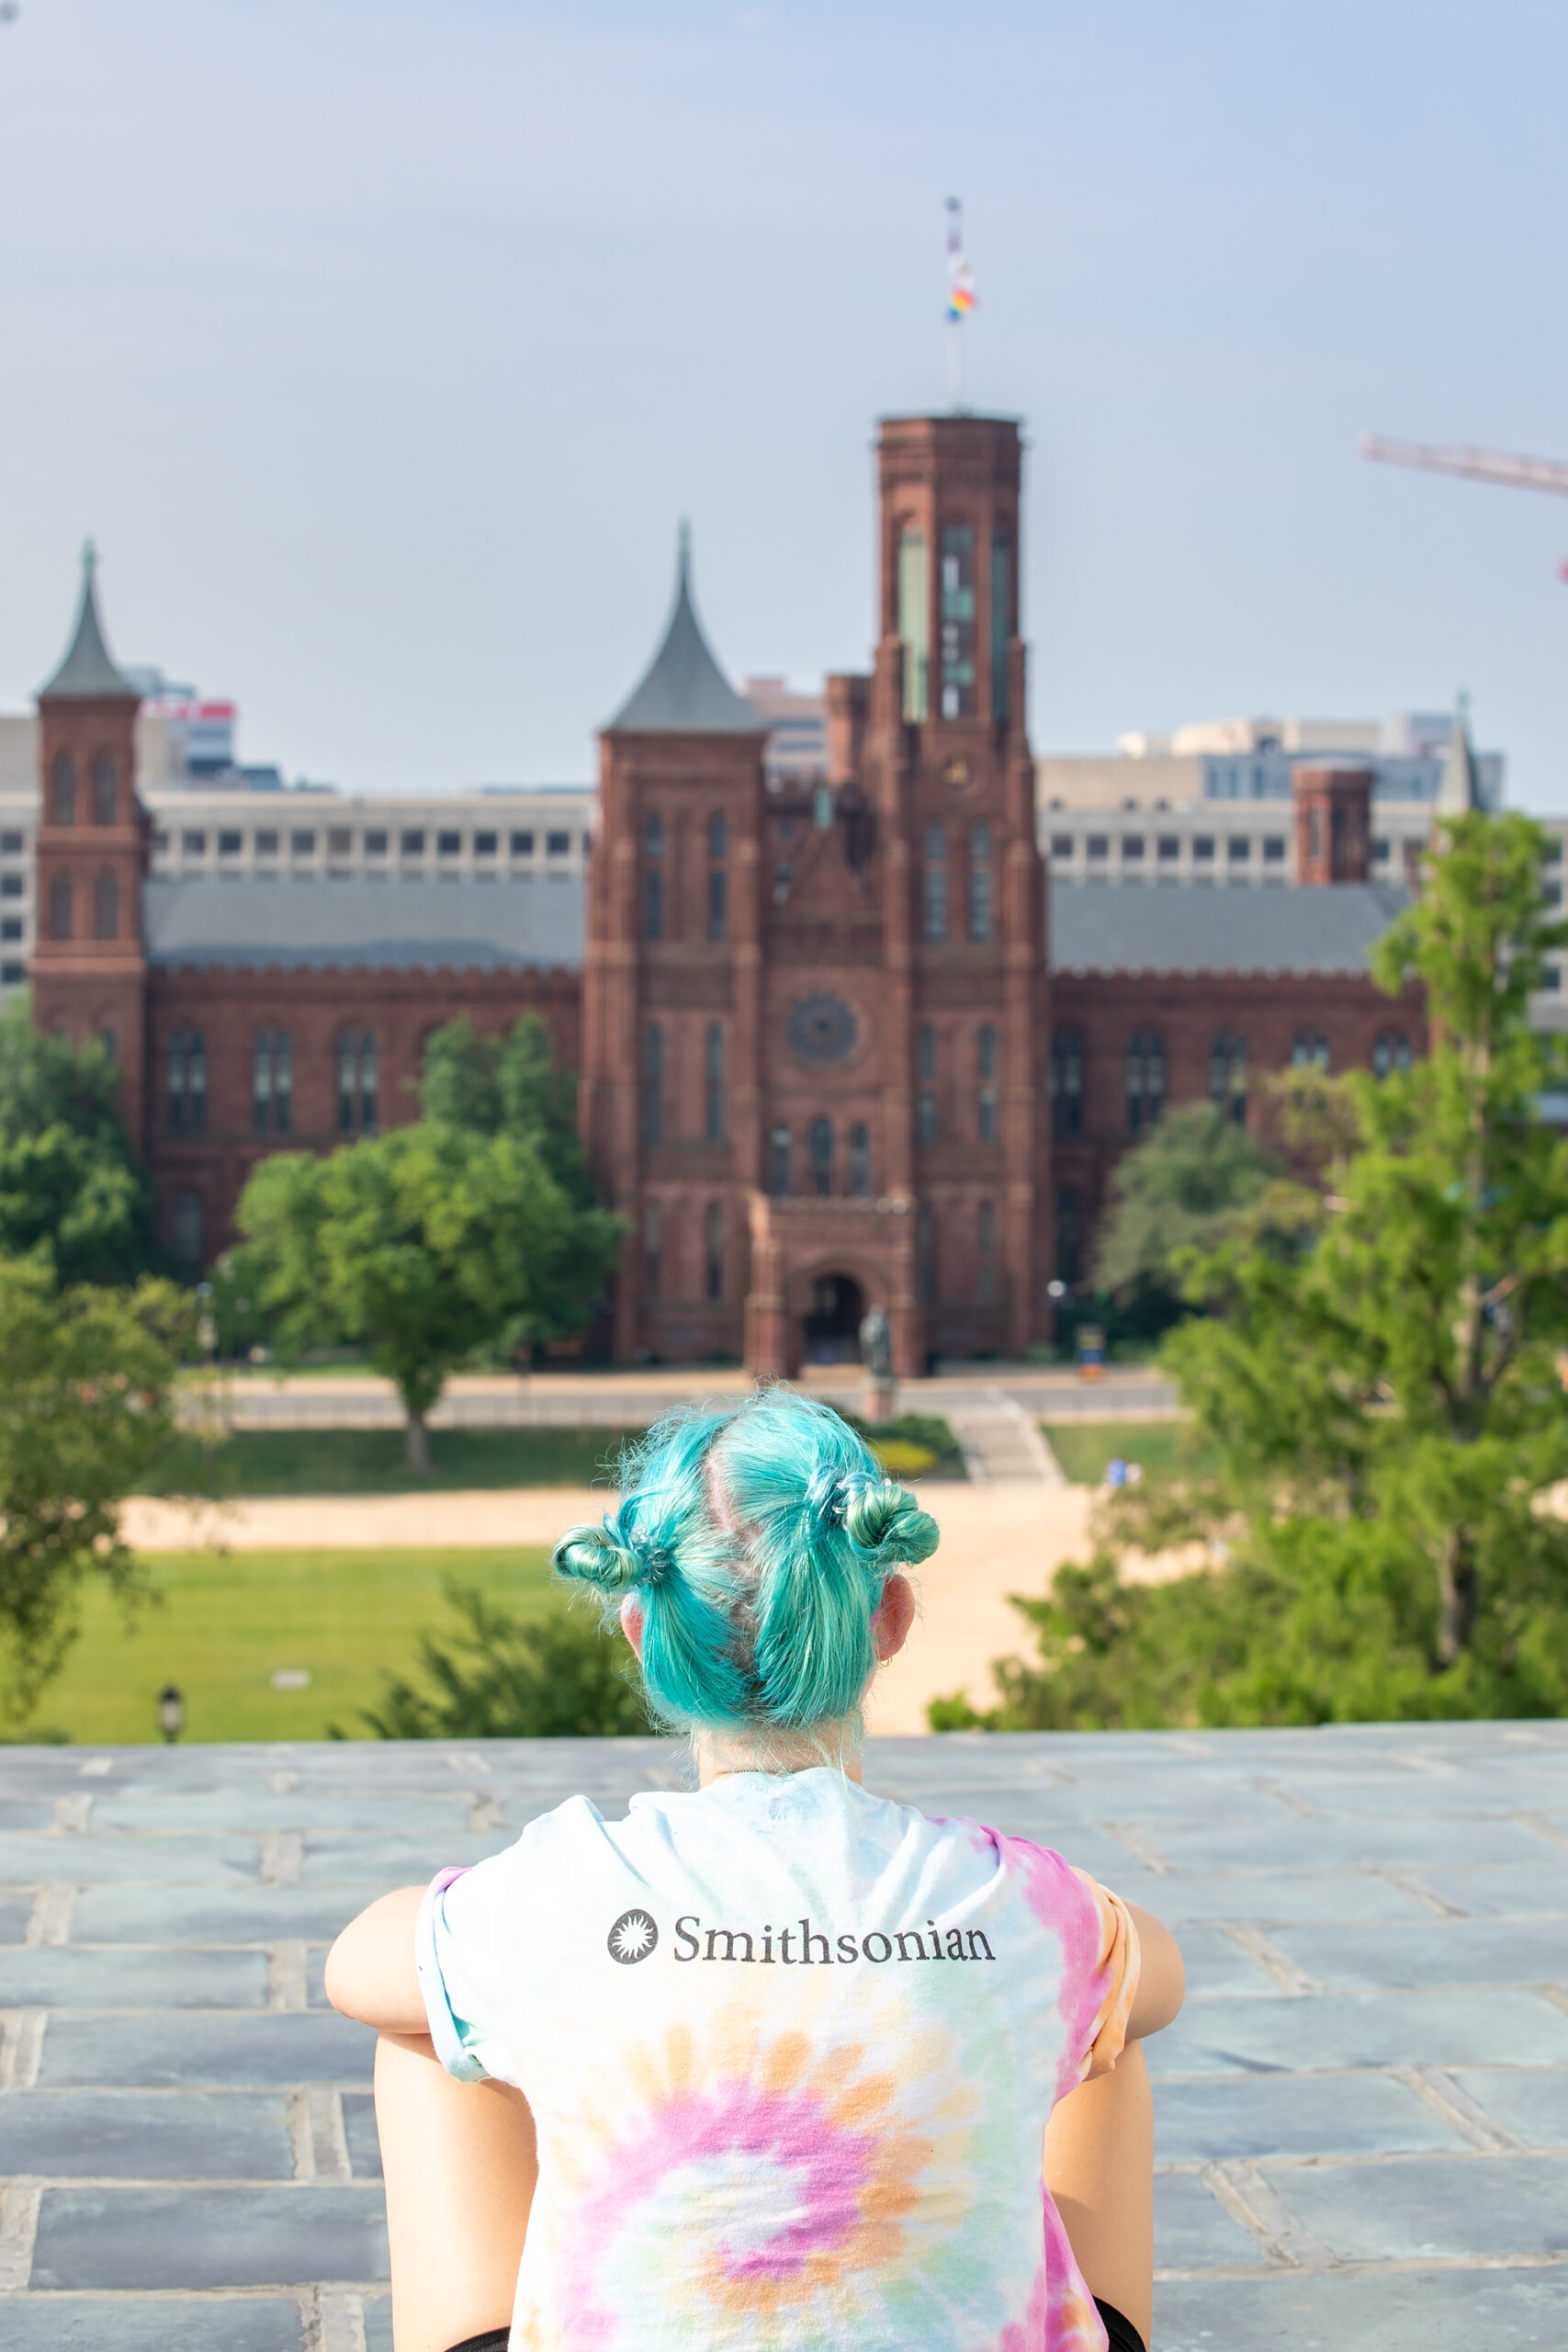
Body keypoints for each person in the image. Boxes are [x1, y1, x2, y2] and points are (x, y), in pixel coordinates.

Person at [326, 1387, 1184, 2352]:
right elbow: (1163, 1973)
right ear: (890, 1617)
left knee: (437, 2026)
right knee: (1101, 2018)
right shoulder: (1016, 1897)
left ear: (642, 1634)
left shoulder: (562, 1887)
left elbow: (351, 1968)